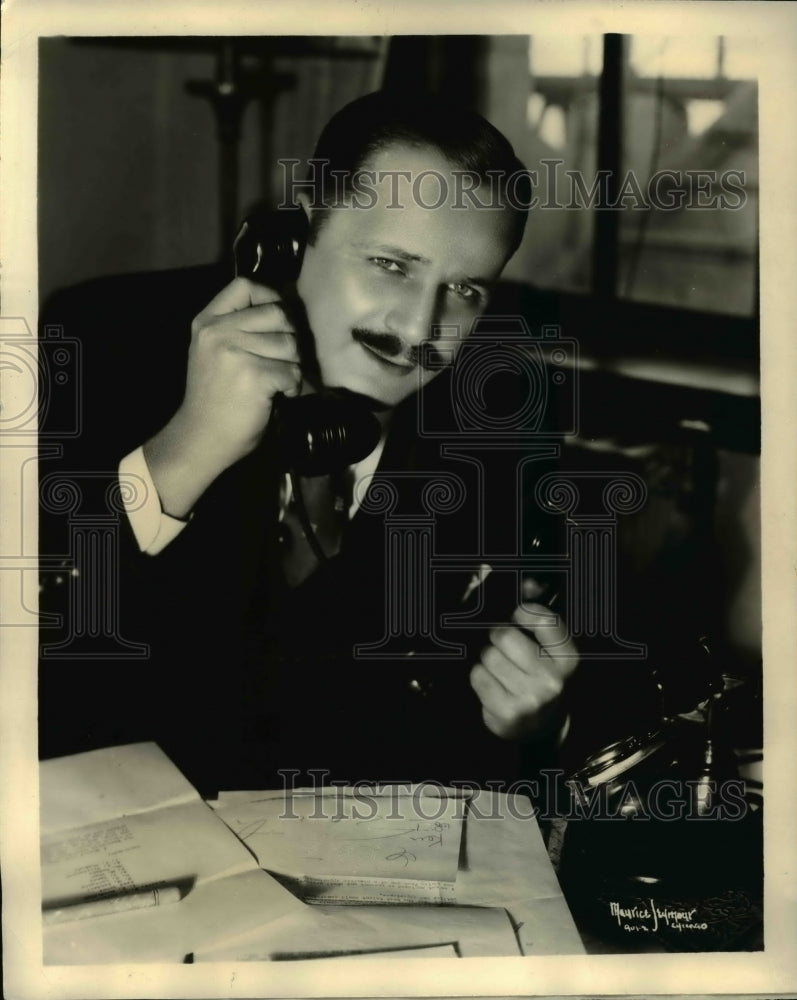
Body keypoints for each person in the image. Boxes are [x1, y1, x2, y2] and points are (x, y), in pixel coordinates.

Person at [39, 91, 583, 795]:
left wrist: (535, 727)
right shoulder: (102, 339)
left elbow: (455, 746)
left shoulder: (502, 421)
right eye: (391, 265)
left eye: (465, 290)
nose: (420, 329)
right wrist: (188, 451)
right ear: (296, 234)